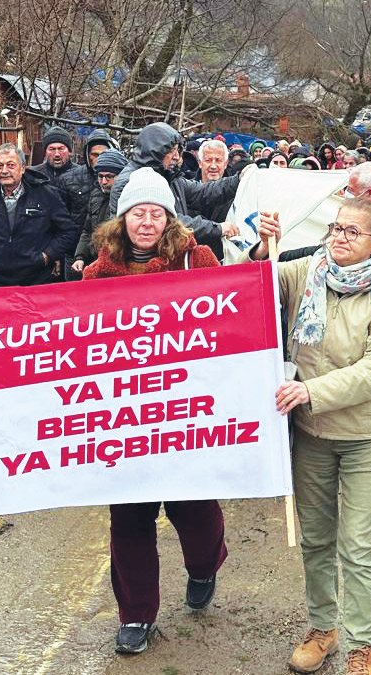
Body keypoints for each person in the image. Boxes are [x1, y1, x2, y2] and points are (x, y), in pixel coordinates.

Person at [252, 198, 371, 675]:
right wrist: (262, 247)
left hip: (368, 434)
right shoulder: (306, 271)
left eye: (352, 232)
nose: (339, 237)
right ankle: (323, 628)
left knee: (358, 544)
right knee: (317, 538)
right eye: (336, 228)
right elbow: (252, 287)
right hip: (313, 432)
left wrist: (309, 390)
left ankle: (364, 644)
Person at [81, 167, 228, 655]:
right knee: (129, 518)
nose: (147, 221)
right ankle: (136, 614)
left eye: (157, 213)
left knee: (194, 508)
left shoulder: (196, 260)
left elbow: (230, 316)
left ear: (170, 219)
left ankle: (206, 562)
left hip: (184, 410)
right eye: (138, 213)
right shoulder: (97, 272)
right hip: (125, 415)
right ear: (122, 220)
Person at [106, 122, 243, 260]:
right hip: (140, 264)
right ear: (156, 151)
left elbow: (202, 192)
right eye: (172, 151)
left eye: (178, 150)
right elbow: (168, 222)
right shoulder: (130, 182)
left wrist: (238, 179)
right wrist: (217, 228)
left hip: (169, 257)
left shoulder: (169, 176)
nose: (177, 157)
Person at [0, 143, 78, 286]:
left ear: (22, 168)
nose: (4, 171)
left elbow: (68, 231)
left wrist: (47, 256)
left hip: (37, 279)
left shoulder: (45, 193)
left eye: (10, 165)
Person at [72, 148, 128, 275]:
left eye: (109, 177)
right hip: (95, 262)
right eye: (100, 176)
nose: (103, 182)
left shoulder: (128, 198)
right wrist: (80, 257)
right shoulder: (96, 195)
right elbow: (88, 230)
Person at [32, 126, 92, 229]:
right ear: (45, 152)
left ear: (69, 151)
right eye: (52, 149)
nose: (57, 154)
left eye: (61, 148)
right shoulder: (34, 175)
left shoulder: (82, 174)